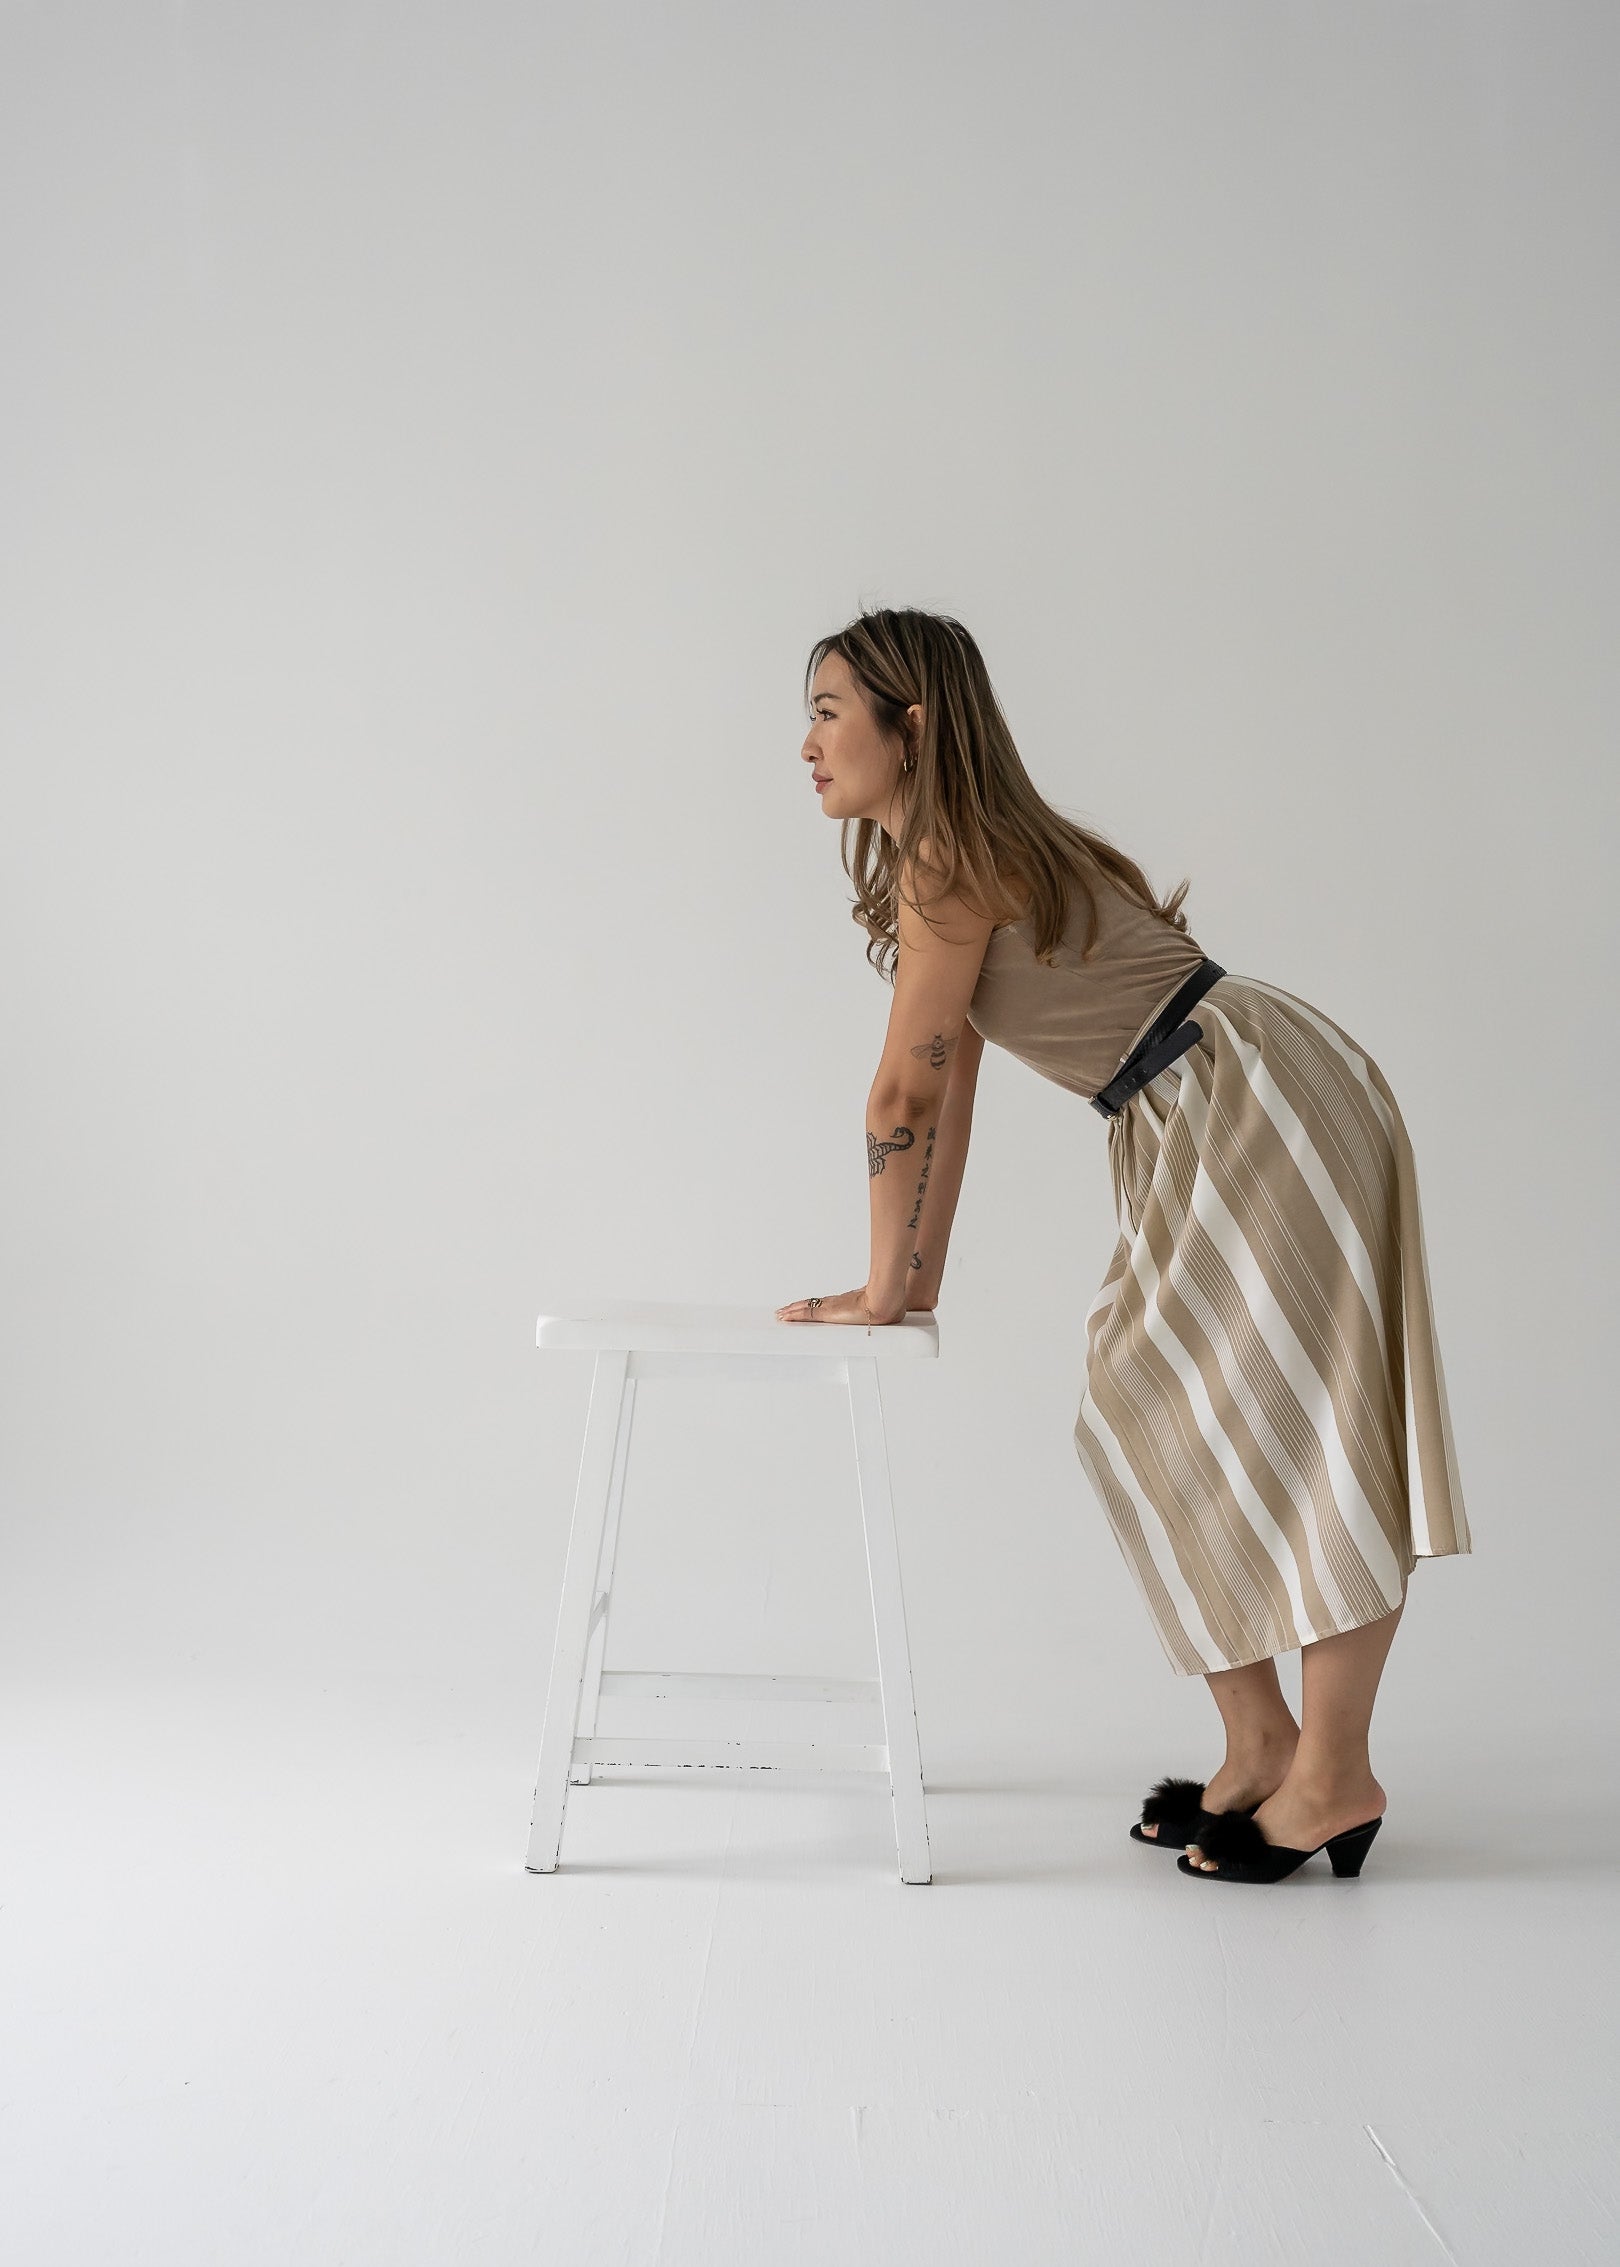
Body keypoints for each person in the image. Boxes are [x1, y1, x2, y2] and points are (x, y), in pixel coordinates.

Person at [775, 607, 1471, 1886]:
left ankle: (1333, 1772)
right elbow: (952, 1088)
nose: (807, 744)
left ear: (910, 725)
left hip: (1250, 1097)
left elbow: (900, 1096)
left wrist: (876, 1292)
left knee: (1311, 1418)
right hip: (1206, 1100)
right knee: (1143, 1400)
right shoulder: (965, 851)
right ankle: (1264, 1745)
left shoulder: (950, 860)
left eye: (827, 712)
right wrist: (909, 1280)